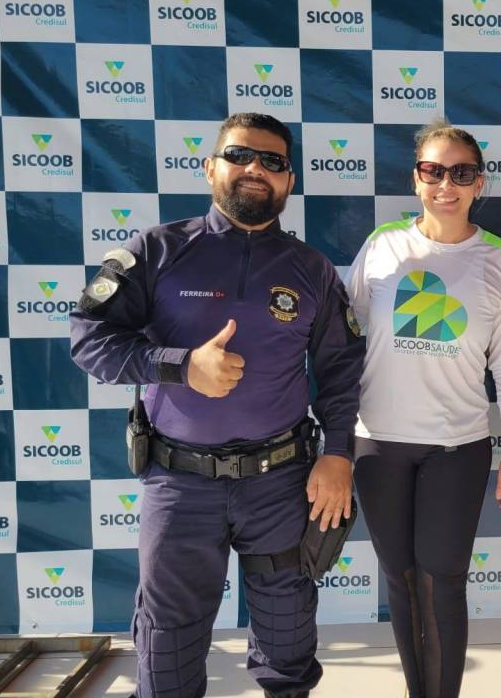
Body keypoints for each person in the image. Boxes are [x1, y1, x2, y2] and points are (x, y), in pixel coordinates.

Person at [69, 112, 364, 698]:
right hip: (180, 485)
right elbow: (89, 339)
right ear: (210, 168)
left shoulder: (311, 269)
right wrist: (181, 366)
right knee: (167, 650)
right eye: (239, 155)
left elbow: (341, 370)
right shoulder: (157, 249)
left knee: (288, 645)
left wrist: (339, 454)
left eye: (272, 161)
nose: (255, 168)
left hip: (280, 483)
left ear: (289, 180)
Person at [345, 121, 501, 698]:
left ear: (480, 183)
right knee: (400, 581)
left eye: (461, 172)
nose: (447, 183)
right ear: (416, 178)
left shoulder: (500, 259)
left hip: (458, 446)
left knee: (442, 581)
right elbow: (344, 344)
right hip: (378, 442)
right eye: (434, 170)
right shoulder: (382, 245)